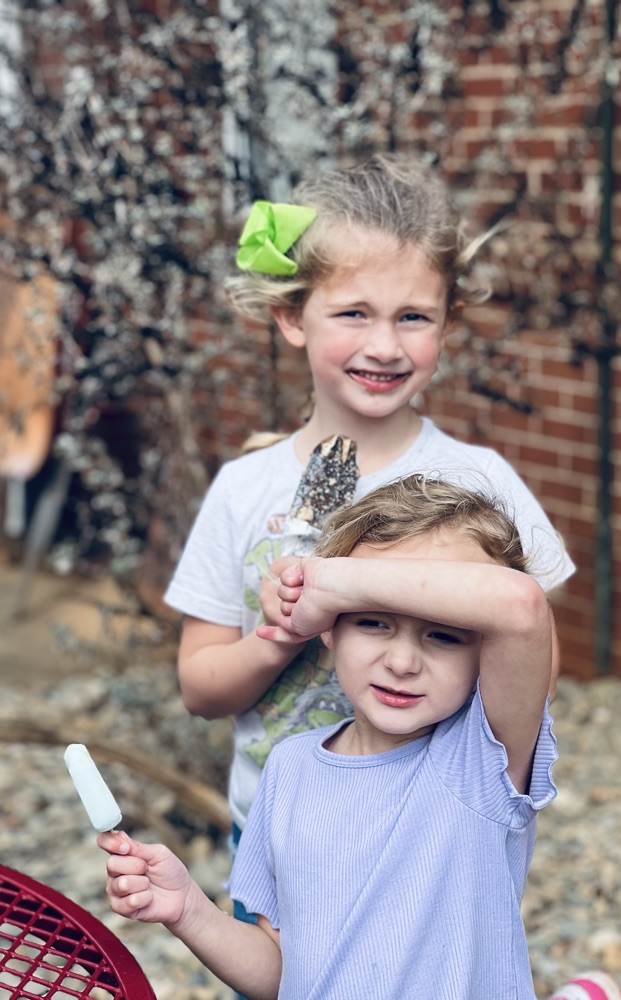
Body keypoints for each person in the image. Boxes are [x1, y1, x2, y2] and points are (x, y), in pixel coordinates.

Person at [163, 153, 576, 901]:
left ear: (447, 322)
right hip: (280, 837)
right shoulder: (244, 489)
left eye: (413, 316)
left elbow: (535, 658)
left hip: (437, 841)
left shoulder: (482, 480)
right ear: (290, 316)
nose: (385, 346)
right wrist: (279, 635)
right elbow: (199, 685)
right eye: (353, 312)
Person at [100, 475, 557, 999]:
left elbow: (521, 606)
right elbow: (281, 972)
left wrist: (335, 583)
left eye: (445, 633)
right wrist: (187, 910)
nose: (403, 662)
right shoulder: (289, 767)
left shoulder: (480, 761)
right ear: (328, 626)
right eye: (373, 623)